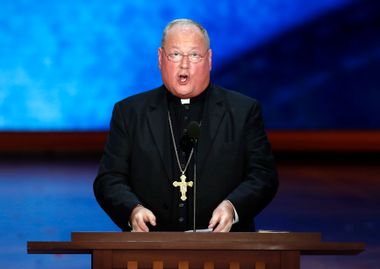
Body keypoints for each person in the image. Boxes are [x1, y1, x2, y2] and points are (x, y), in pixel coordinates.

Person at [93, 18, 278, 232]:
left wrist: (233, 207)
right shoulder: (129, 112)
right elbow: (109, 179)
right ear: (160, 58)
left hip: (224, 250)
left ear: (209, 60)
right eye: (175, 54)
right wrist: (132, 210)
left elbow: (263, 176)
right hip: (151, 249)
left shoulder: (243, 111)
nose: (184, 64)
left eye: (194, 55)